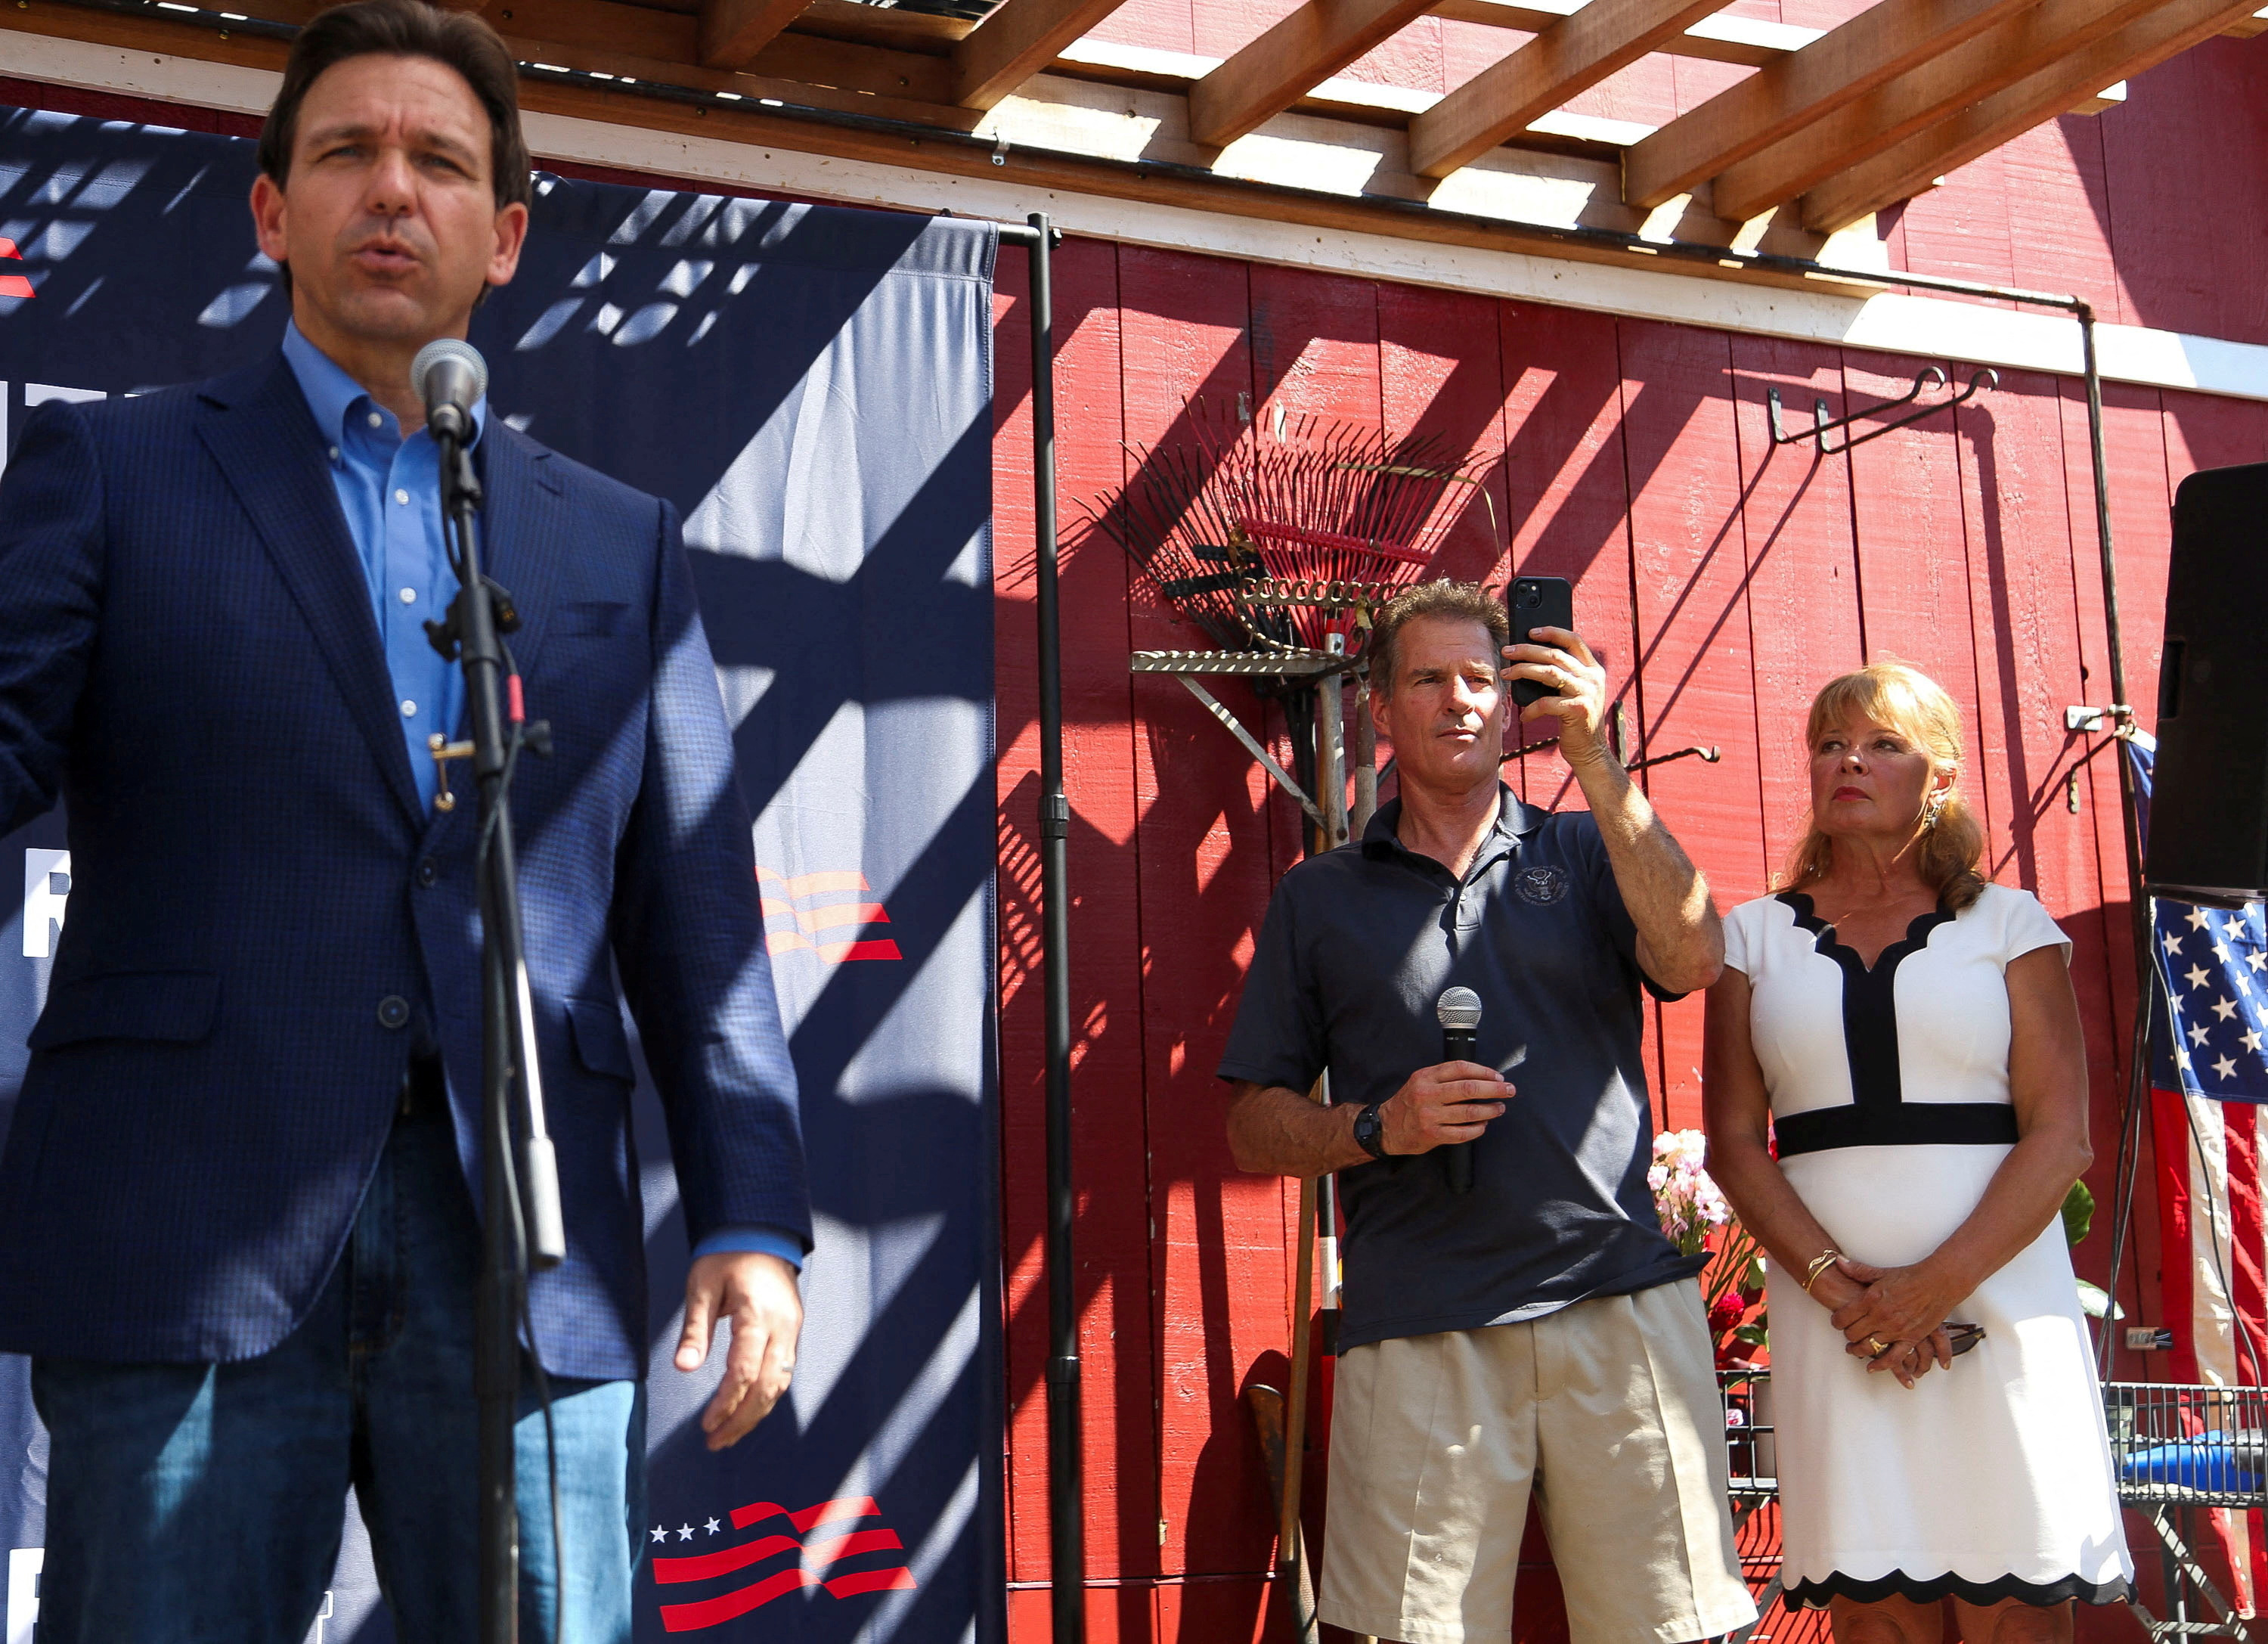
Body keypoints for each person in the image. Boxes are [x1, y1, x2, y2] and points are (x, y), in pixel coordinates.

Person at [0, 4, 808, 1638]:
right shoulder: (114, 469)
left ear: (503, 236)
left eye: (438, 161)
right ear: (269, 211)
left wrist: (749, 1210)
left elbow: (696, 911)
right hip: (187, 1233)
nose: (392, 190)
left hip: (526, 1245)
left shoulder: (620, 543)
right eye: (346, 153)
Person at [1217, 579, 1758, 1644]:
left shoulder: (1585, 848)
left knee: (1675, 1630)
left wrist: (1597, 761)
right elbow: (1251, 1124)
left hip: (1618, 1304)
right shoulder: (1318, 897)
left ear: (1513, 708)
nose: (1459, 700)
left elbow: (1695, 954)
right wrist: (1376, 1125)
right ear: (1382, 708)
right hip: (1421, 1323)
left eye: (1481, 679)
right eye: (1428, 678)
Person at [1702, 662, 2132, 1643]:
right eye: (1829, 743)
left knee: (2022, 1607)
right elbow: (1733, 1143)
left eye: (1882, 743)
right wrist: (1846, 1293)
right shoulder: (1750, 940)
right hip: (1834, 1322)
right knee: (1873, 1613)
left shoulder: (2009, 925)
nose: (1849, 759)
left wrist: (1931, 1287)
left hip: (2001, 1306)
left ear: (1937, 777)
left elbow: (2061, 1132)